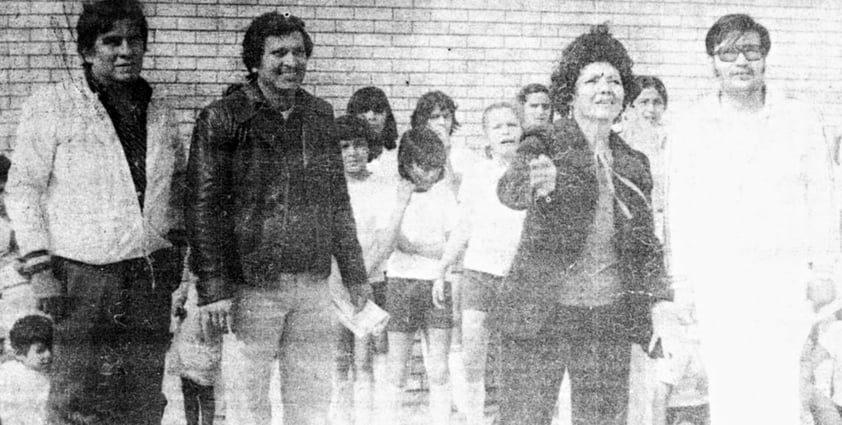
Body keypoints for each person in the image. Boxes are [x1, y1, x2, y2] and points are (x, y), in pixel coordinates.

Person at [185, 12, 372, 425]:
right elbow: (202, 208)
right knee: (248, 404)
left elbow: (336, 201)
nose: (292, 62)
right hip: (251, 284)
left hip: (312, 284)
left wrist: (355, 273)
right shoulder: (223, 118)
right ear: (255, 61)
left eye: (300, 52)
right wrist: (213, 287)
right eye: (279, 53)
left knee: (310, 402)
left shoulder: (320, 115)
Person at [5, 1, 186, 423]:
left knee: (141, 392)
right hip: (83, 277)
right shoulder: (53, 105)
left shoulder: (159, 109)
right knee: (78, 395)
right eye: (112, 41)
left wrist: (175, 248)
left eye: (134, 40)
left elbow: (175, 185)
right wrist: (41, 268)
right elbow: (23, 189)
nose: (126, 51)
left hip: (147, 275)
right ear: (88, 50)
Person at [665, 13, 840, 425]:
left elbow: (823, 200)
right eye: (728, 53)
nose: (740, 61)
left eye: (751, 51)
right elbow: (681, 211)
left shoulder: (799, 119)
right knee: (731, 390)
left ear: (764, 59)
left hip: (787, 279)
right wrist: (683, 285)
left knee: (785, 389)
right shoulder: (692, 126)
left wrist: (824, 270)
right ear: (713, 62)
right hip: (720, 280)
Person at [495, 25, 671, 425]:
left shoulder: (633, 163)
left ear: (625, 91)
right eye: (592, 79)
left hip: (604, 317)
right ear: (570, 93)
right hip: (540, 313)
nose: (604, 87)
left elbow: (645, 246)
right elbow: (511, 190)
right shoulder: (545, 140)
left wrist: (659, 305)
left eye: (613, 80)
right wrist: (539, 182)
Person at [433, 102, 526, 425]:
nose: (506, 132)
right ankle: (474, 418)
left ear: (522, 130)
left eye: (512, 125)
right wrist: (443, 265)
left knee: (514, 359)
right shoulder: (477, 173)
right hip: (479, 274)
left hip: (519, 278)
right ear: (487, 135)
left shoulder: (534, 170)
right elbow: (464, 225)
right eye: (497, 127)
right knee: (473, 354)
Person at [380, 126, 456, 424]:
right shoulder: (394, 193)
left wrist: (423, 250)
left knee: (438, 367)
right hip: (401, 284)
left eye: (436, 167)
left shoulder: (445, 194)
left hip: (438, 284)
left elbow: (453, 246)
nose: (430, 174)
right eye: (423, 167)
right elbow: (392, 241)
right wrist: (433, 249)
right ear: (407, 164)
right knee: (396, 368)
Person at [328, 115, 394, 425]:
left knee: (365, 359)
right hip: (334, 285)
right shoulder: (325, 190)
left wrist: (360, 279)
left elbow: (384, 240)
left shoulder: (380, 187)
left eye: (359, 145)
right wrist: (341, 281)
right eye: (344, 146)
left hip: (370, 282)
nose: (353, 152)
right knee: (339, 360)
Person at [617, 75, 669, 241]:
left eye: (657, 102)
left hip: (664, 224)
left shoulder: (672, 140)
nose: (651, 109)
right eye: (644, 102)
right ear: (629, 106)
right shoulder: (619, 141)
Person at [169, 271, 222, 425]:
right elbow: (183, 285)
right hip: (188, 327)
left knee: (206, 386)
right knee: (188, 385)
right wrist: (178, 303)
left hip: (209, 327)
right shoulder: (190, 261)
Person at [0, 314, 53, 425]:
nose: (48, 355)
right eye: (40, 351)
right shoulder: (13, 376)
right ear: (19, 354)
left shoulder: (41, 374)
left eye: (50, 348)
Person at [410, 90, 464, 193]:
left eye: (446, 116)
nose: (442, 123)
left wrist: (446, 154)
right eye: (435, 117)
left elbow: (459, 195)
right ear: (423, 121)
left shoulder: (463, 154)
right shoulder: (412, 150)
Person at [346, 86, 399, 162]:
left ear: (387, 115)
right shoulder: (344, 155)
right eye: (364, 110)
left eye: (378, 110)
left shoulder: (396, 156)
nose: (371, 117)